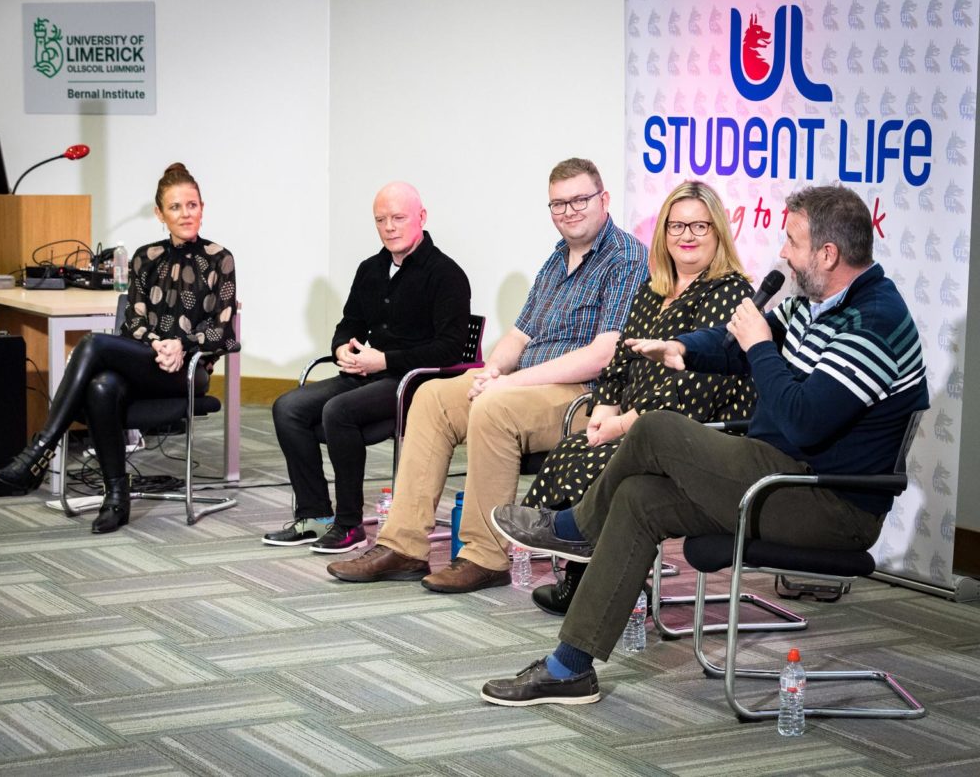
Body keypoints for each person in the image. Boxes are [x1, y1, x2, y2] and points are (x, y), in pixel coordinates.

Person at [482, 184, 928, 706]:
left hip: (827, 501)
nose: (783, 252)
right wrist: (680, 349)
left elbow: (804, 421)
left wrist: (760, 343)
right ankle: (569, 667)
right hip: (776, 475)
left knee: (656, 427)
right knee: (638, 499)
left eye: (792, 242)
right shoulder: (819, 302)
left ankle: (575, 526)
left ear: (827, 254)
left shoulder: (872, 321)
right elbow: (732, 347)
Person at [327, 157, 648, 593]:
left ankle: (485, 556)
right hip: (528, 386)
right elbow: (520, 333)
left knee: (495, 406)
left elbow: (602, 355)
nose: (569, 211)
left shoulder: (626, 257)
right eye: (558, 204)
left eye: (579, 200)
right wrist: (491, 369)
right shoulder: (557, 259)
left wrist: (507, 383)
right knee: (434, 397)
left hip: (585, 397)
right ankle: (402, 546)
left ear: (604, 199)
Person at [525, 181, 756, 616]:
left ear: (719, 232)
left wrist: (621, 425)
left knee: (598, 459)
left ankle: (601, 581)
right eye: (677, 226)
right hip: (638, 420)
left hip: (698, 433)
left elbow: (692, 395)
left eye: (699, 226)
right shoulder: (652, 289)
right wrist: (603, 410)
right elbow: (618, 361)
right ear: (664, 233)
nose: (687, 236)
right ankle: (585, 576)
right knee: (577, 445)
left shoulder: (729, 292)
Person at [0, 163, 239, 535]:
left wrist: (181, 345)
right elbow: (134, 324)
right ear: (160, 214)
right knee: (102, 386)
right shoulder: (144, 258)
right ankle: (116, 497)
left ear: (203, 207)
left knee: (93, 343)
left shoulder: (221, 258)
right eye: (175, 207)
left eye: (192, 205)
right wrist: (159, 344)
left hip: (190, 371)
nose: (185, 214)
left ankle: (41, 448)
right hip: (149, 363)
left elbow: (222, 331)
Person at [266, 182, 470, 554]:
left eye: (398, 217)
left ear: (421, 218)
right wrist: (342, 347)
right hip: (365, 374)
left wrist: (386, 360)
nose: (389, 226)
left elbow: (451, 348)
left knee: (337, 411)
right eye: (381, 220)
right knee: (288, 407)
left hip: (414, 383)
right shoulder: (370, 269)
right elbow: (350, 323)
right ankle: (316, 516)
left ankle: (349, 525)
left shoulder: (446, 274)